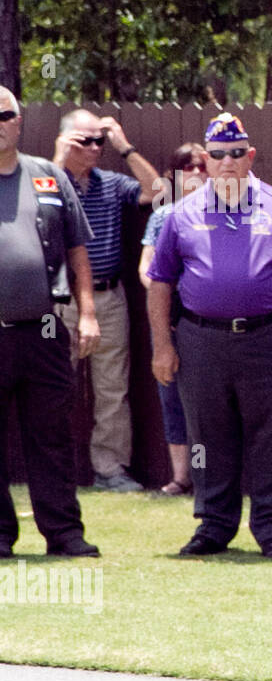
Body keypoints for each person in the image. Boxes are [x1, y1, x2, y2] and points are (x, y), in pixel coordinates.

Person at [147, 113, 272, 559]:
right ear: (206, 160)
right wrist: (163, 346)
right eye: (218, 155)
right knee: (208, 435)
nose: (227, 162)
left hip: (270, 337)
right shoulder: (181, 213)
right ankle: (214, 525)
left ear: (250, 157)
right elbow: (161, 281)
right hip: (201, 338)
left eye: (236, 154)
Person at [0, 85, 101, 559]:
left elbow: (78, 250)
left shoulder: (47, 177)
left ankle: (63, 534)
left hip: (42, 330)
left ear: (19, 122)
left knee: (52, 437)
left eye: (4, 116)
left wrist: (88, 314)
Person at [52, 109, 162, 492]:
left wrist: (124, 146)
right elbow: (34, 204)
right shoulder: (49, 179)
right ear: (66, 140)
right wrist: (58, 160)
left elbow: (158, 191)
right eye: (86, 141)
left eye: (100, 140)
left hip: (109, 296)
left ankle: (110, 470)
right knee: (54, 387)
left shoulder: (112, 184)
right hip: (59, 301)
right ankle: (55, 470)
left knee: (113, 389)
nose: (96, 148)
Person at [139, 142, 207, 495]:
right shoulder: (164, 216)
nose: (196, 173)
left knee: (210, 400)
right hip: (169, 319)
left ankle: (212, 476)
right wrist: (168, 292)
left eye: (201, 166)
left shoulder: (222, 212)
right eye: (188, 167)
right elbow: (146, 270)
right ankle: (183, 477)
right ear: (173, 176)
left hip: (207, 322)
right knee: (172, 398)